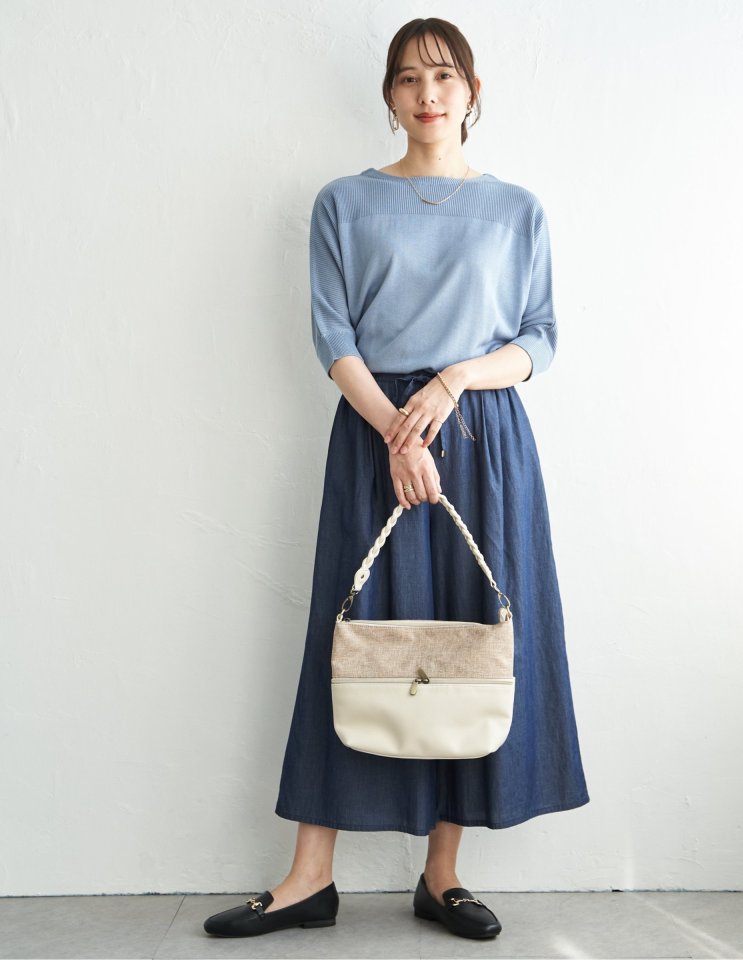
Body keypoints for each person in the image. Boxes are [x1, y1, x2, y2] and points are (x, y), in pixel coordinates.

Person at [204, 16, 589, 943]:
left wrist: (454, 381)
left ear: (473, 92)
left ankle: (442, 872)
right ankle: (309, 877)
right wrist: (397, 430)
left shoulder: (517, 210)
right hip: (375, 435)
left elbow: (539, 339)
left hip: (483, 437)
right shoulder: (344, 202)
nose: (428, 93)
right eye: (410, 78)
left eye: (445, 76)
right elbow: (332, 334)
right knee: (353, 635)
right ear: (388, 95)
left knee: (470, 638)